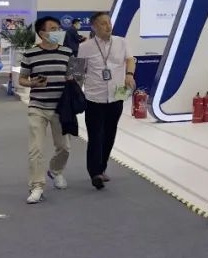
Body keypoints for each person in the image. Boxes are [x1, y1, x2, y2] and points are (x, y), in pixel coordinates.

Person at [19, 16, 73, 204]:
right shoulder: (30, 54)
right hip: (38, 107)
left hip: (61, 108)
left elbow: (76, 76)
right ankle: (37, 186)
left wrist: (73, 79)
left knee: (64, 148)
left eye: (58, 28)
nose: (58, 32)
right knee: (36, 149)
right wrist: (32, 83)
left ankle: (56, 171)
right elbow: (22, 79)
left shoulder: (67, 52)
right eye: (53, 29)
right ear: (42, 33)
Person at [80, 11, 136, 190]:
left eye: (109, 22)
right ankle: (95, 172)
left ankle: (102, 167)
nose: (108, 26)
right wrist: (74, 89)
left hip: (117, 95)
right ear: (94, 27)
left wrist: (129, 74)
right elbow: (77, 71)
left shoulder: (121, 42)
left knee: (110, 134)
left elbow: (130, 59)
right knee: (95, 135)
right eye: (103, 23)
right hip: (94, 97)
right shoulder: (85, 47)